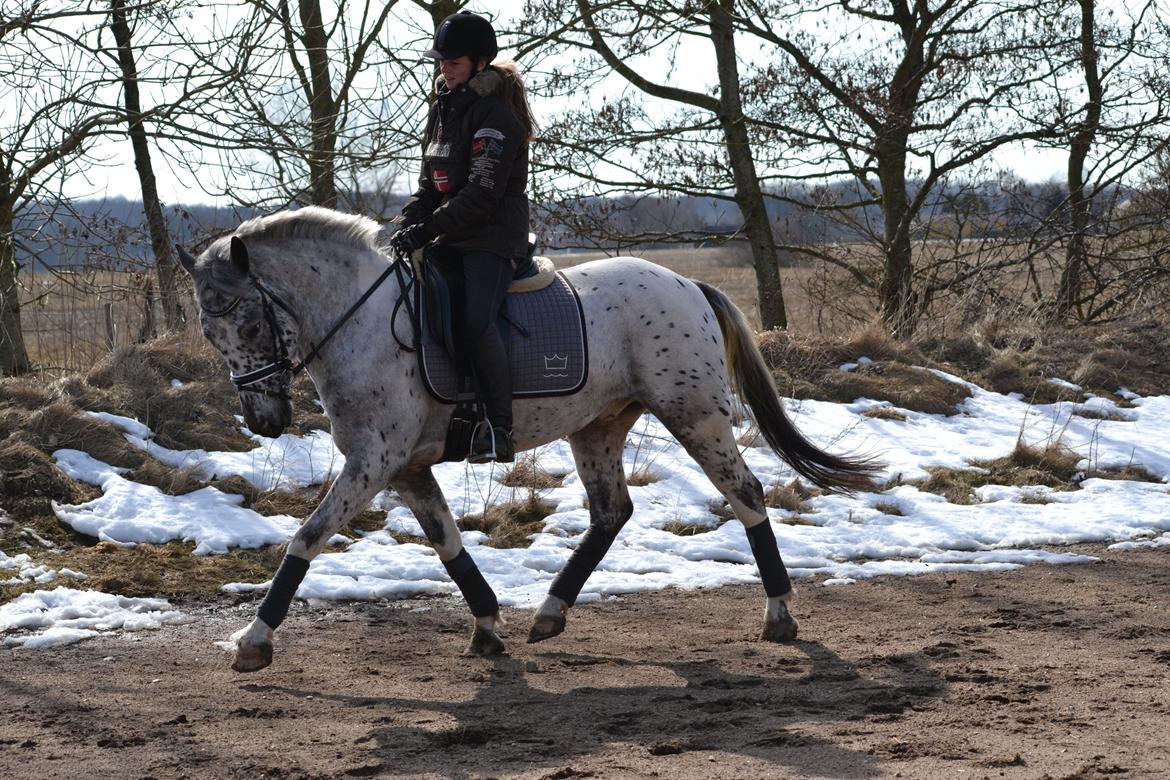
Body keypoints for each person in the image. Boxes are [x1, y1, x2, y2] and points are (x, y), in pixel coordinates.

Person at [389, 10, 535, 464]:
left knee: (476, 320)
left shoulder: (497, 117)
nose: (443, 70)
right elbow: (431, 188)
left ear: (480, 63)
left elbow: (480, 196)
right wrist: (402, 227)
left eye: (453, 63)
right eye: (441, 63)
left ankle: (499, 428)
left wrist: (426, 230)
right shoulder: (443, 111)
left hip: (491, 238)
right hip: (451, 235)